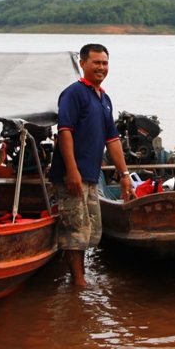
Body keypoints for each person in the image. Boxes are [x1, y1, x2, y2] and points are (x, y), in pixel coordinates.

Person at [48, 44, 134, 286]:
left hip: (91, 175)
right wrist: (72, 170)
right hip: (71, 174)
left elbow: (113, 139)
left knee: (91, 228)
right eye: (96, 62)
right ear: (82, 64)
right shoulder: (73, 94)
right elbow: (64, 132)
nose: (101, 67)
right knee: (75, 228)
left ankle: (80, 277)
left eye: (105, 63)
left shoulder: (103, 98)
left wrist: (124, 173)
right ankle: (79, 282)